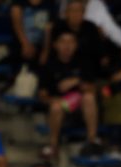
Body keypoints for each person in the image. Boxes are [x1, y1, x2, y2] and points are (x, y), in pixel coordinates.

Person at [37, 29, 100, 159]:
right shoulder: (49, 65)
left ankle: (92, 141)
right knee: (56, 107)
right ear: (56, 45)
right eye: (63, 42)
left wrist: (76, 81)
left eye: (71, 42)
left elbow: (93, 89)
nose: (67, 46)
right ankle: (53, 145)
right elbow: (42, 95)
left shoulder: (84, 63)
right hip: (59, 108)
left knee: (89, 98)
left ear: (76, 45)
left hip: (80, 108)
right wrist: (54, 100)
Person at [10, 0, 55, 69]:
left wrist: (45, 51)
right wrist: (26, 44)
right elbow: (16, 24)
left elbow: (49, 30)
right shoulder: (18, 2)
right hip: (20, 45)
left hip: (41, 46)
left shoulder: (49, 3)